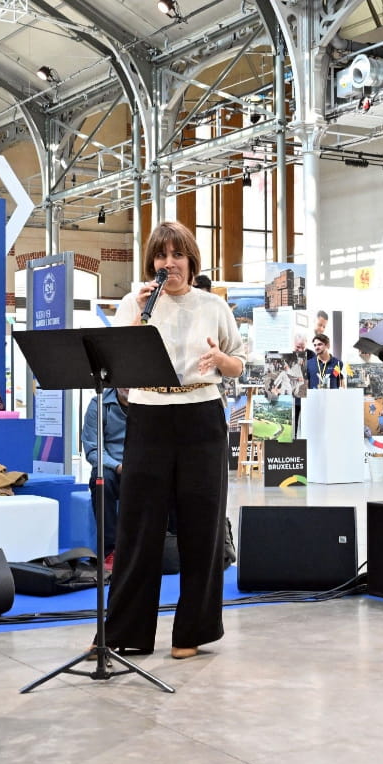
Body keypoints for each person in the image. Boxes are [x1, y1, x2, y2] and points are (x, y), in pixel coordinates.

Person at [101, 221, 243, 659]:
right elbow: (114, 366)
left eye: (176, 255)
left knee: (202, 525)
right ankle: (125, 631)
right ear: (152, 263)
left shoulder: (213, 306)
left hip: (201, 414)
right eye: (161, 256)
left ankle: (192, 632)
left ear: (190, 260)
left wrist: (222, 359)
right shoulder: (134, 304)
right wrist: (135, 317)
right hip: (148, 414)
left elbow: (238, 363)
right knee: (139, 526)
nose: (168, 264)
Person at [81, 387, 127, 556]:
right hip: (111, 467)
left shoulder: (149, 403)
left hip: (140, 466)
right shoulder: (98, 404)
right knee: (102, 480)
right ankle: (110, 550)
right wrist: (117, 466)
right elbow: (93, 449)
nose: (128, 386)